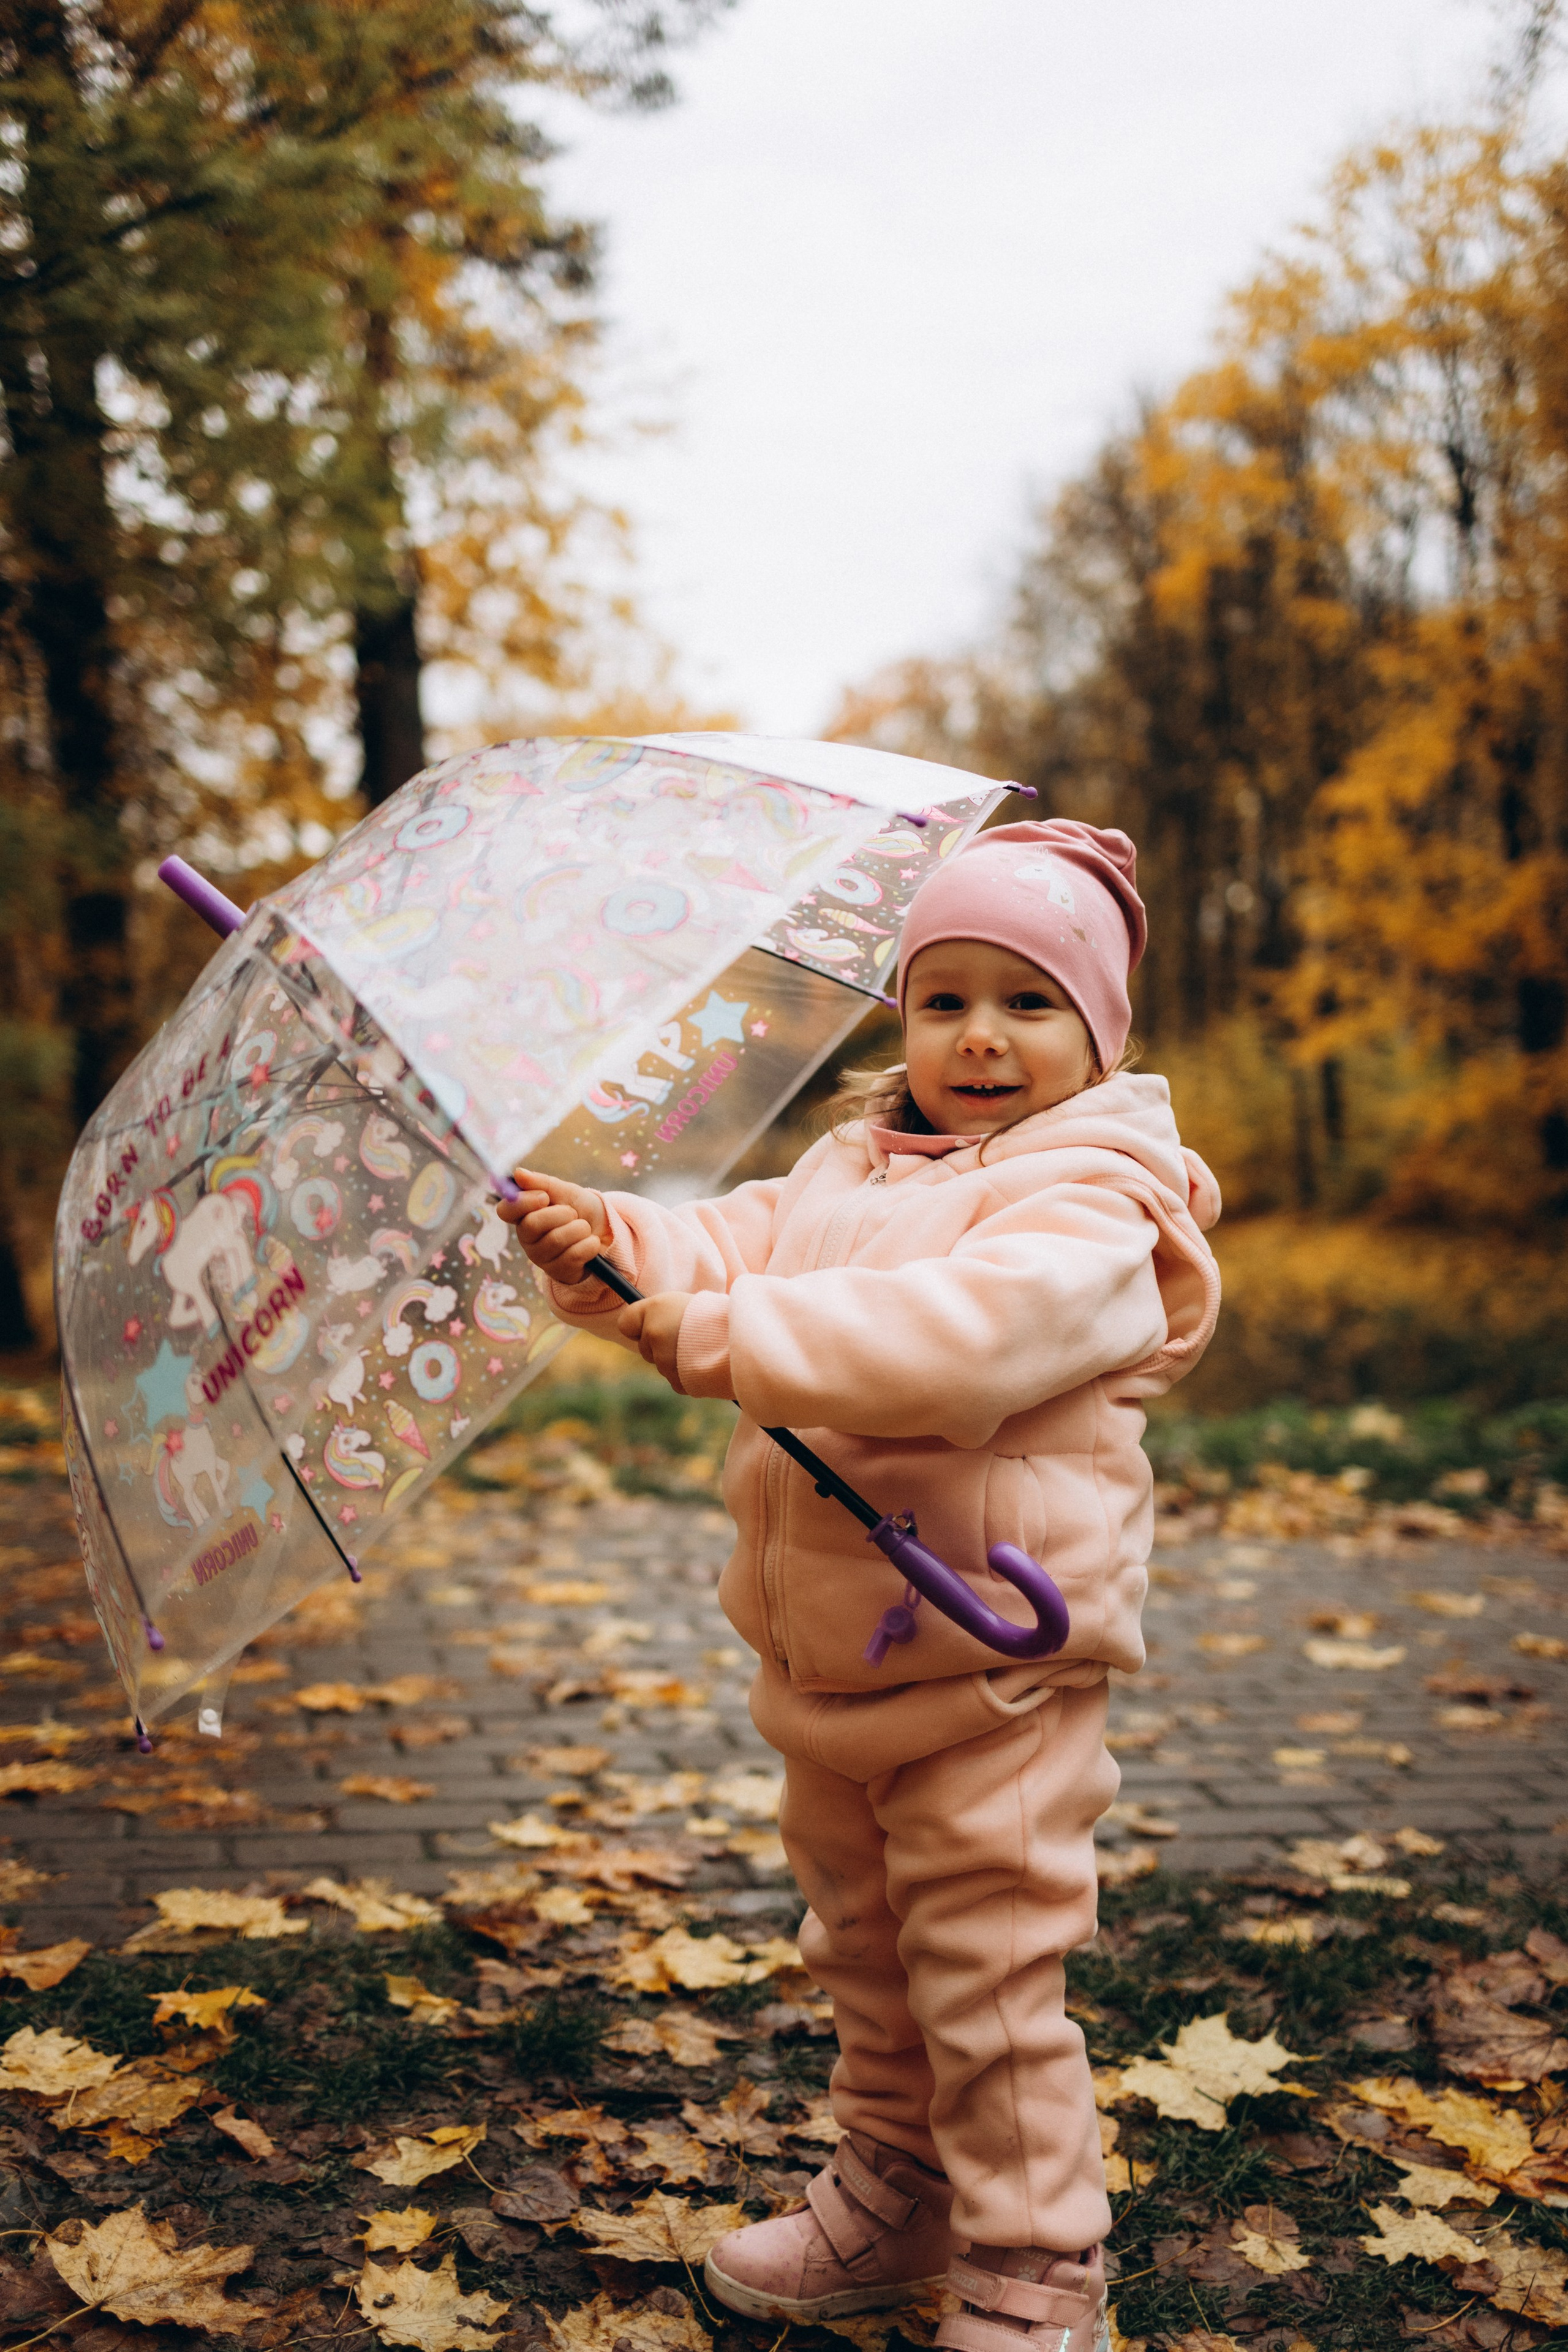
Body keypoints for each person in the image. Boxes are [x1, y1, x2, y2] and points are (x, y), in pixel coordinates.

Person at [500, 818, 1221, 2352]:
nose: (977, 1035)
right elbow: (725, 1241)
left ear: (1098, 1032)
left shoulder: (1092, 1195)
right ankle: (899, 2198)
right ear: (900, 1016)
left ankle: (1039, 2271)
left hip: (989, 1672)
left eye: (1027, 1002)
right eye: (940, 996)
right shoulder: (847, 1163)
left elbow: (958, 1341)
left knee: (987, 1980)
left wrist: (711, 1338)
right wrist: (609, 1237)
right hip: (828, 1673)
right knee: (871, 1961)